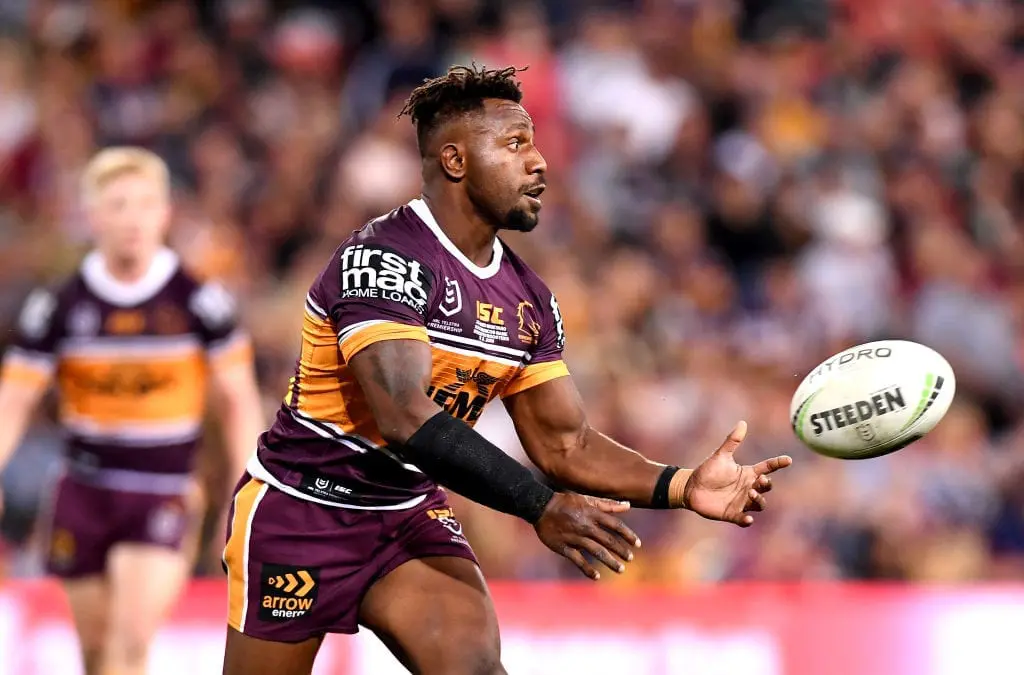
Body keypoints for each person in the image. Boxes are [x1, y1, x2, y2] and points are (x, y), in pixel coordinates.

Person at [221, 65, 792, 675]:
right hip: (303, 509)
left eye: (534, 143)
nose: (539, 161)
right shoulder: (384, 258)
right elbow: (404, 417)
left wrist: (681, 485)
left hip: (406, 514)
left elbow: (565, 444)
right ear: (455, 160)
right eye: (515, 144)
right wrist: (539, 506)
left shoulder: (530, 299)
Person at [0, 147, 264, 675]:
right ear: (93, 216)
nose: (133, 220)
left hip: (162, 490)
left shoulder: (198, 302)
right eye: (118, 205)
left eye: (145, 205)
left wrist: (246, 492)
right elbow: (15, 398)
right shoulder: (60, 305)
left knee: (128, 646)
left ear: (165, 213)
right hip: (82, 491)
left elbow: (238, 400)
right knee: (96, 653)